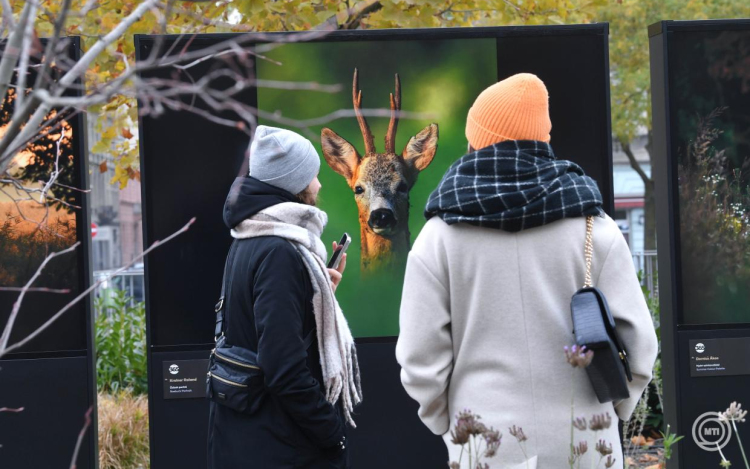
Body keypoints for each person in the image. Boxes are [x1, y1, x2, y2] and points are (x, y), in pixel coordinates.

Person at [396, 74, 658, 468]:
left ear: (475, 140)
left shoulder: (439, 238)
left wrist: (447, 425)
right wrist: (615, 410)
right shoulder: (594, 226)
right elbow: (640, 345)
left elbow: (420, 359)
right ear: (543, 141)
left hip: (485, 442)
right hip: (585, 439)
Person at [208, 125, 362, 469]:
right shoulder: (279, 251)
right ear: (292, 184)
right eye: (313, 176)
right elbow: (284, 369)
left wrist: (319, 293)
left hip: (248, 436)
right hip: (281, 446)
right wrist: (330, 431)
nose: (319, 185)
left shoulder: (248, 236)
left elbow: (257, 327)